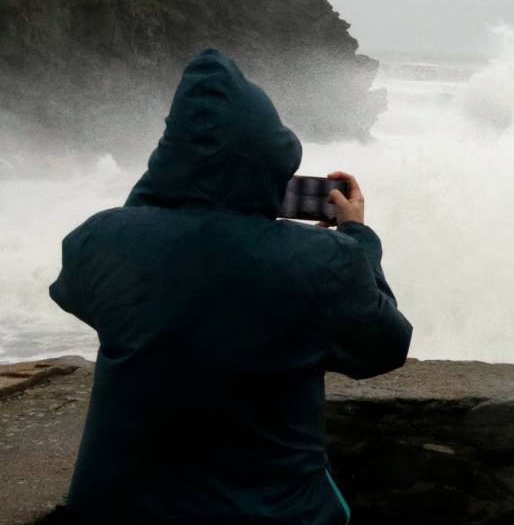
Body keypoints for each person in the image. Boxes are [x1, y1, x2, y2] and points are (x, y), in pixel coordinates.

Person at [48, 48, 412, 524]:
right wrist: (358, 236)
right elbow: (384, 346)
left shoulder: (99, 239)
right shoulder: (326, 261)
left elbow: (89, 282)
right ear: (273, 157)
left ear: (165, 156)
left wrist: (165, 189)